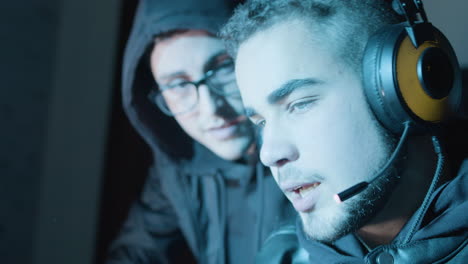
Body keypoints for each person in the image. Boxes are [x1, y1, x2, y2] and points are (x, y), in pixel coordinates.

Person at [221, 0, 468, 263]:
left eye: (299, 104)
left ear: (404, 90)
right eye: (261, 122)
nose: (269, 154)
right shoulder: (280, 256)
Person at [105, 0, 297, 263]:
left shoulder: (305, 149)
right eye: (178, 85)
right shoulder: (176, 169)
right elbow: (137, 251)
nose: (211, 110)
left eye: (222, 68)